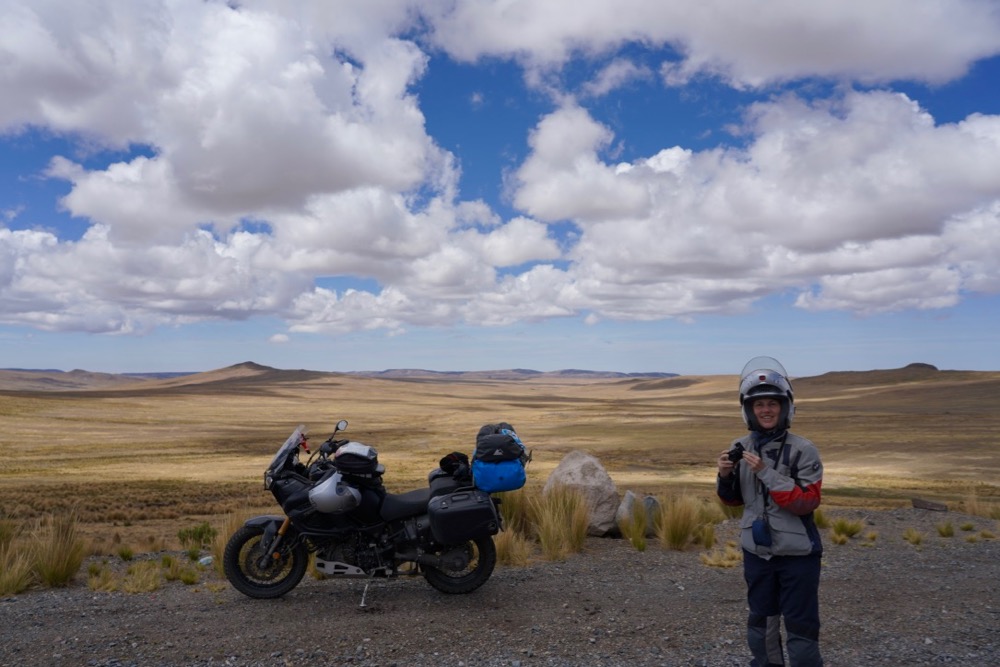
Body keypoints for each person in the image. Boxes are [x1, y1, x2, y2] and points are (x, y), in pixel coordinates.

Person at [716, 356, 824, 667]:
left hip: (798, 555)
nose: (765, 410)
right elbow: (734, 501)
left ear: (785, 407)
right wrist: (724, 475)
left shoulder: (803, 450)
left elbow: (806, 502)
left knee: (801, 627)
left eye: (772, 403)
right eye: (759, 404)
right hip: (757, 552)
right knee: (761, 624)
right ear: (748, 410)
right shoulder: (741, 445)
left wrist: (765, 472)